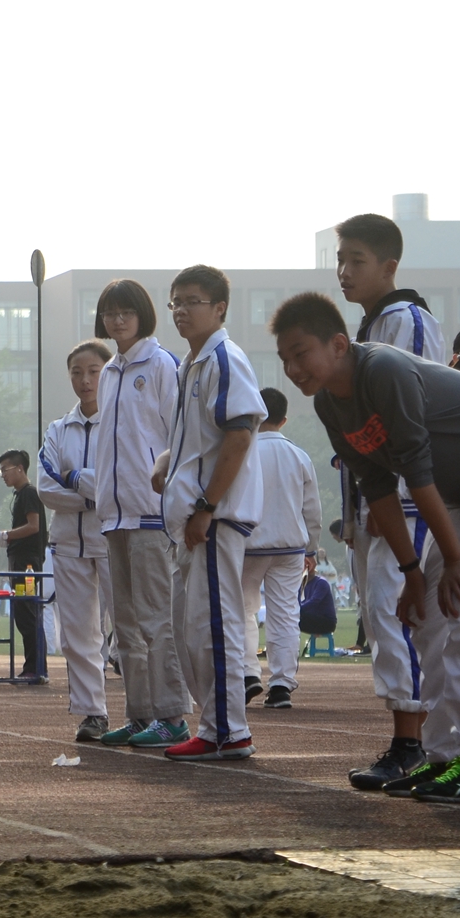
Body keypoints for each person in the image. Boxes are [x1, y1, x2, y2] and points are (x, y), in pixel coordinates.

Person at [275, 290, 460, 800]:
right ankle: (445, 755)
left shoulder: (383, 370)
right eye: (284, 359)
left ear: (339, 344)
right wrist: (414, 574)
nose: (292, 369)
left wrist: (453, 557)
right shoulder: (330, 402)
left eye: (301, 353)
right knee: (428, 619)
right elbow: (377, 487)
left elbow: (416, 470)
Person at [334, 212, 446, 730]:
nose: (344, 271)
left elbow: (410, 416)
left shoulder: (407, 320)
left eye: (357, 260)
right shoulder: (370, 327)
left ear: (389, 265)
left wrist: (394, 497)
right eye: (340, 260)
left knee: (395, 611)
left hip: (405, 493)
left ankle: (413, 741)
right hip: (378, 496)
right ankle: (411, 737)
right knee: (382, 615)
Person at [151, 266, 266, 760]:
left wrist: (206, 505)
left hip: (214, 519)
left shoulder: (224, 356)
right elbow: (200, 439)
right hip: (194, 518)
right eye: (176, 301)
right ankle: (217, 726)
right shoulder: (189, 363)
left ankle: (230, 730)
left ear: (219, 308)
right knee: (192, 627)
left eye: (192, 301)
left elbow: (240, 432)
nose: (181, 310)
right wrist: (167, 467)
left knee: (213, 626)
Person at [90, 280, 188, 747]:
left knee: (155, 620)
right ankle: (139, 712)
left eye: (126, 311)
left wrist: (170, 495)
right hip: (114, 515)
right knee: (125, 625)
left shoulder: (163, 364)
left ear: (143, 315)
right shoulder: (110, 371)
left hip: (151, 511)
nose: (117, 320)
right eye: (110, 312)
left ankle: (172, 714)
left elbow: (180, 436)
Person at [39, 341, 113, 739]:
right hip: (67, 542)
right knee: (78, 634)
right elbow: (46, 489)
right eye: (76, 372)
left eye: (94, 371)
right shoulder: (57, 429)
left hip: (115, 537)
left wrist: (81, 484)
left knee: (133, 628)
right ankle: (92, 713)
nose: (85, 380)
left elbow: (123, 484)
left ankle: (148, 711)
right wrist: (95, 491)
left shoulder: (122, 424)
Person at [241, 387, 322, 710]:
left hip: (249, 544)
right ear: (284, 419)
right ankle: (281, 684)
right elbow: (312, 509)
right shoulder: (299, 455)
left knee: (242, 611)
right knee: (286, 613)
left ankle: (248, 673)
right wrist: (312, 549)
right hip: (291, 545)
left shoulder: (243, 451)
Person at [0, 450, 48, 683]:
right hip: (20, 560)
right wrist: (7, 539)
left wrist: (5, 535)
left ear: (19, 469)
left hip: (27, 564)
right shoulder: (20, 495)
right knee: (23, 613)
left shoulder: (29, 494)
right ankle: (33, 666)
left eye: (5, 469)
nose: (2, 474)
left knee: (27, 613)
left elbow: (34, 526)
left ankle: (35, 667)